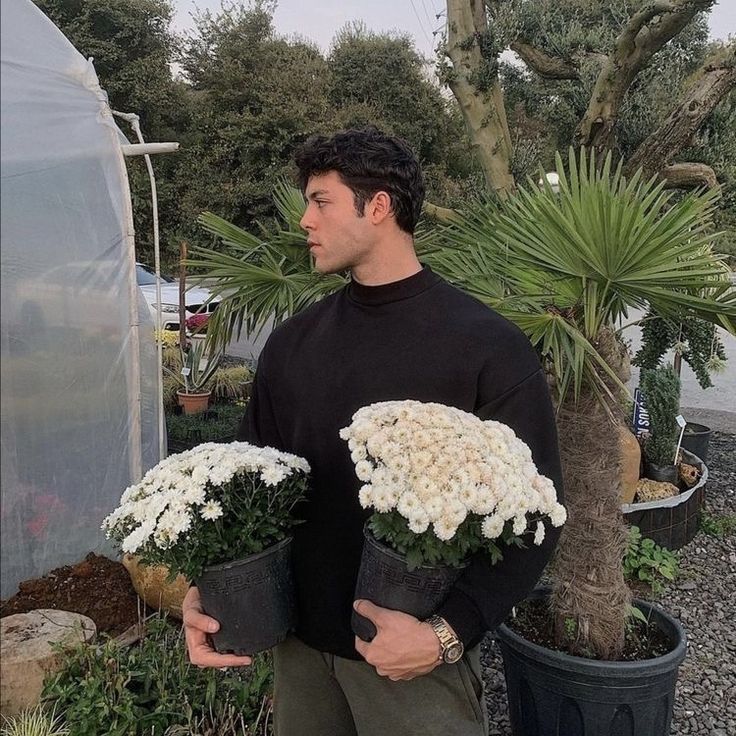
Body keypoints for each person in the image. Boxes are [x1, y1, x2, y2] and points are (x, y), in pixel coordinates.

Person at [183, 127, 564, 736]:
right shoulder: (293, 344)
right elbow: (243, 487)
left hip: (413, 670)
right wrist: (207, 589)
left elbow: (538, 515)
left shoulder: (486, 347)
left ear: (379, 206)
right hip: (301, 656)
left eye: (321, 201)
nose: (305, 220)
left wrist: (447, 634)